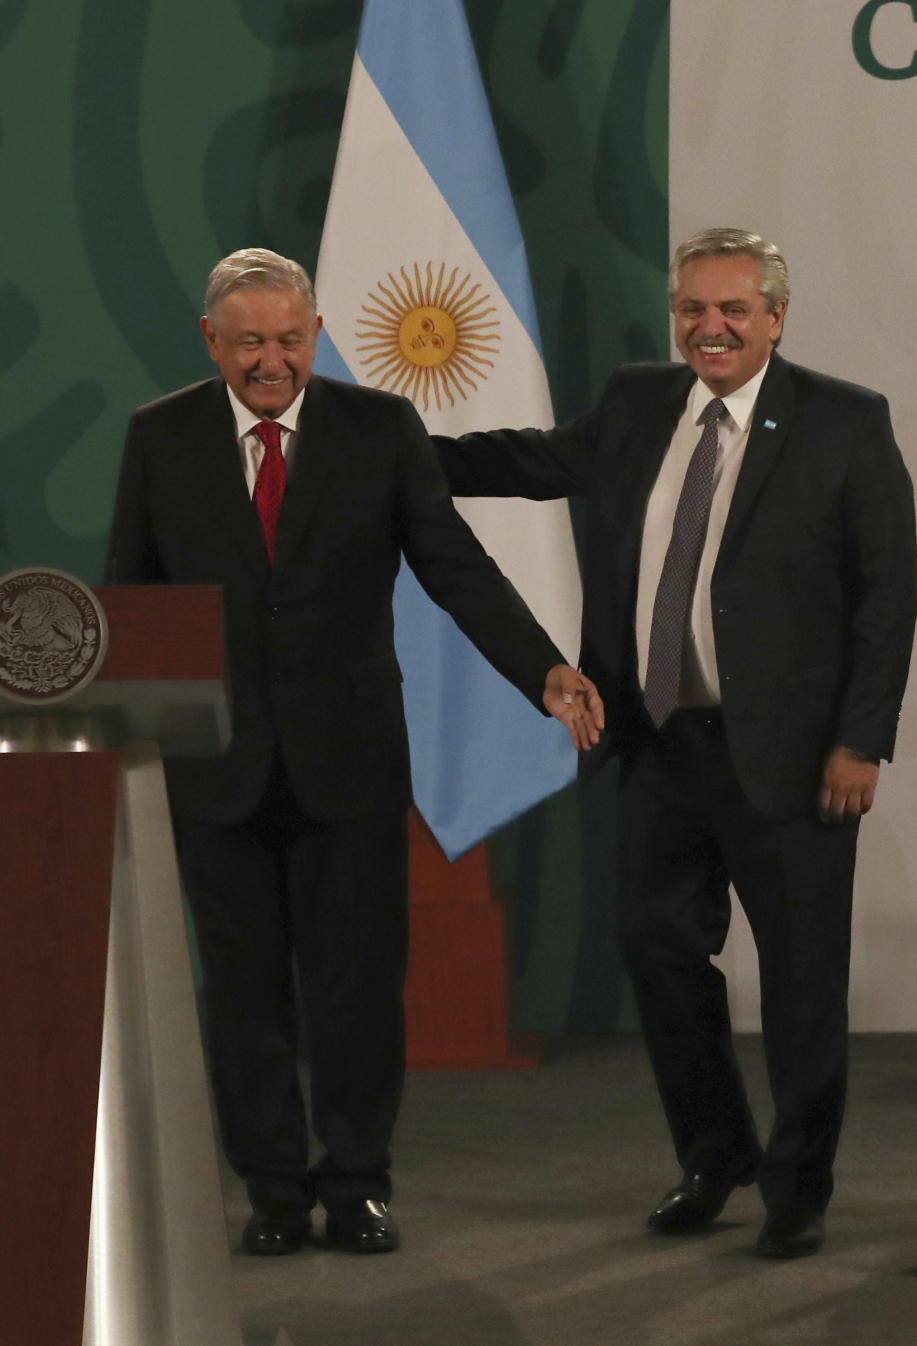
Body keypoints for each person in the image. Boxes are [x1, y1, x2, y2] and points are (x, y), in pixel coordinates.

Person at [105, 247, 603, 1257]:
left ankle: (358, 1184)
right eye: (251, 342)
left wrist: (544, 670)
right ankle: (276, 1192)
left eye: (290, 338)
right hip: (216, 767)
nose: (273, 359)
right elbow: (129, 597)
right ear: (213, 343)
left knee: (356, 990)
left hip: (350, 763)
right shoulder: (159, 437)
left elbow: (453, 565)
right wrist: (123, 743)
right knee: (243, 994)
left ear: (316, 334)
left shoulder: (380, 429)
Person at [434, 227, 917, 1259]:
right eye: (694, 309)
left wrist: (861, 741)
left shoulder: (843, 421)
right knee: (657, 946)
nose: (711, 328)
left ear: (776, 318)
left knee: (799, 978)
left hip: (793, 758)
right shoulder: (635, 402)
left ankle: (798, 1186)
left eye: (734, 310)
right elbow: (531, 461)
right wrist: (383, 455)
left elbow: (888, 598)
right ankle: (715, 1155)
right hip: (658, 745)